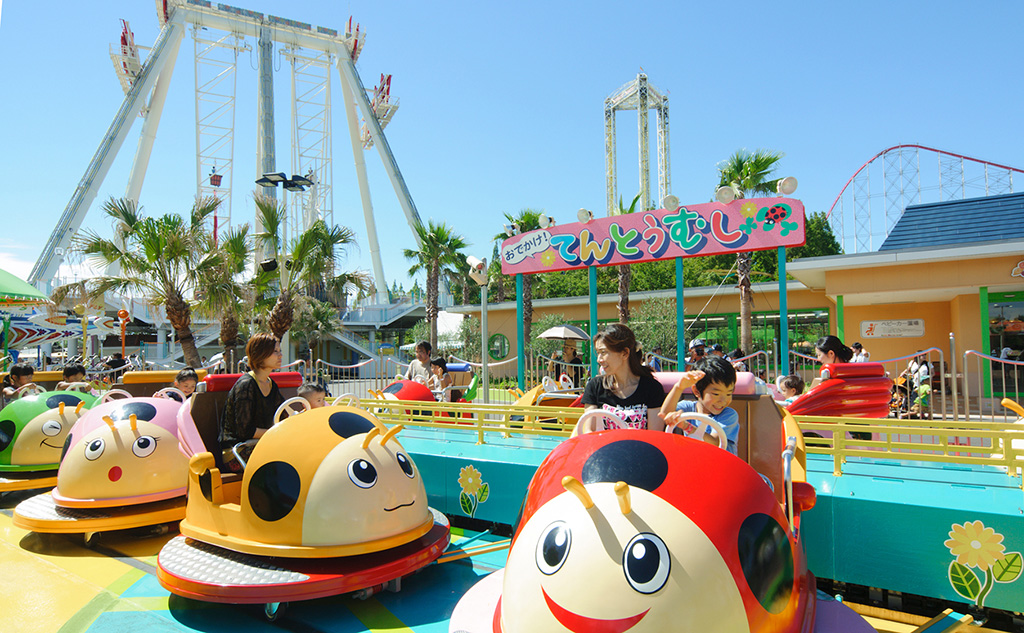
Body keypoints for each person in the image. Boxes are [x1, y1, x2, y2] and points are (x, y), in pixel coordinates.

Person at [576, 323, 665, 433]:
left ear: (625, 353)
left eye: (603, 352)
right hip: (606, 449)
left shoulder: (652, 388)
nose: (599, 359)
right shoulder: (595, 386)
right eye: (598, 353)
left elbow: (655, 436)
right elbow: (589, 431)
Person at [218, 333, 285, 472]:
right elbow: (245, 431)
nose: (280, 356)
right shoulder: (246, 385)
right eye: (275, 352)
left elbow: (284, 416)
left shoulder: (271, 385)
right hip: (237, 453)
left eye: (280, 351)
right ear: (261, 354)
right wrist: (276, 434)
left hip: (261, 445)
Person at [659, 355, 740, 455]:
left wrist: (686, 426)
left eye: (728, 394)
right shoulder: (688, 408)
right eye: (716, 394)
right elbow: (665, 414)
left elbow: (716, 443)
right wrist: (678, 388)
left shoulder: (728, 415)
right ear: (697, 391)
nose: (723, 401)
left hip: (723, 467)